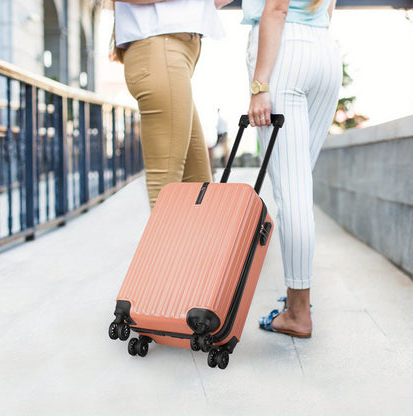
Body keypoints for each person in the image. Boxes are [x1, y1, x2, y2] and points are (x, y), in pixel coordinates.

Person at [243, 0, 342, 337]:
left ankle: (298, 313)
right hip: (325, 52)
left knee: (293, 195)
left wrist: (259, 86)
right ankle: (295, 302)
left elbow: (276, 8)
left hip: (286, 52)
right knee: (300, 185)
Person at [111, 0, 225, 209]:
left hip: (173, 54)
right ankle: (163, 242)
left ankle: (191, 243)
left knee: (198, 187)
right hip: (160, 50)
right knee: (166, 188)